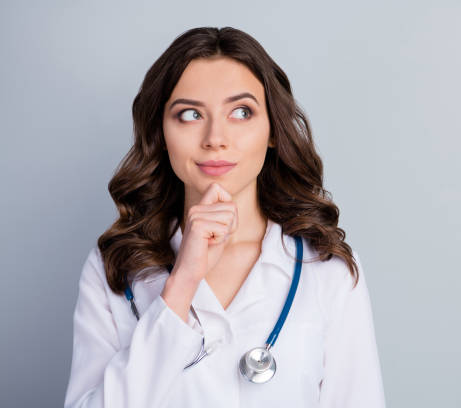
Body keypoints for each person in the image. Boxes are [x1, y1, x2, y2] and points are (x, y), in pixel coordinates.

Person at [64, 26, 385, 408]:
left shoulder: (327, 269)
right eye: (189, 114)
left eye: (241, 112)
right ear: (161, 132)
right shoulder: (113, 271)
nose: (215, 137)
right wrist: (182, 283)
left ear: (272, 131)